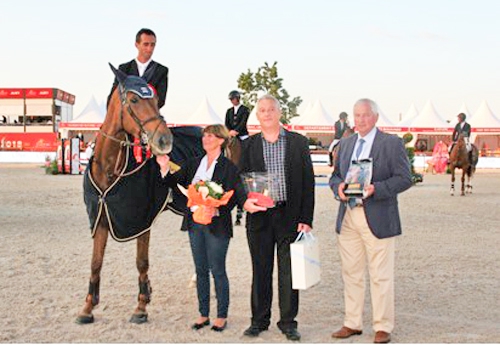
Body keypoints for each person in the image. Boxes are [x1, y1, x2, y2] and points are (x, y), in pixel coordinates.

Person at [329, 98, 412, 344]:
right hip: (348, 217)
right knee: (351, 273)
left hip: (377, 215)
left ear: (376, 117)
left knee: (380, 275)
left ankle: (383, 326)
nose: (361, 120)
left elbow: (405, 178)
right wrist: (339, 188)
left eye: (365, 115)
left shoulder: (391, 144)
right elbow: (334, 177)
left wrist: (378, 188)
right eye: (357, 115)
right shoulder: (345, 144)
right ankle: (352, 323)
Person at [157, 124, 247, 333]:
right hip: (194, 223)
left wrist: (218, 210)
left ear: (221, 140)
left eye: (210, 136)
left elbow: (234, 195)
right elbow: (174, 181)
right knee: (200, 270)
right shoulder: (193, 163)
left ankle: (222, 315)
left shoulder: (228, 167)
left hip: (217, 225)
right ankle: (203, 314)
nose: (205, 139)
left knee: (218, 270)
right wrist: (163, 167)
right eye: (204, 136)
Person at [239, 94, 315, 341]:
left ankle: (288, 322)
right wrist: (244, 203)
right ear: (257, 116)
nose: (267, 113)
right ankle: (258, 321)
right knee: (260, 270)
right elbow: (239, 180)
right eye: (262, 110)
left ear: (280, 113)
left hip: (289, 215)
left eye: (272, 109)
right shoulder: (248, 146)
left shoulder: (298, 143)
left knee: (288, 272)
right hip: (259, 217)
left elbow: (308, 183)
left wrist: (306, 218)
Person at [107, 28, 169, 110]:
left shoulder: (161, 70)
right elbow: (112, 97)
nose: (150, 49)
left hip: (149, 117)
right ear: (136, 44)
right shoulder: (124, 69)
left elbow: (160, 100)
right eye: (146, 44)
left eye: (152, 45)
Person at [225, 90, 250, 226]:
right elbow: (227, 122)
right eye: (231, 99)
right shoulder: (229, 111)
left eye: (234, 99)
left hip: (242, 134)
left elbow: (243, 122)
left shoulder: (245, 109)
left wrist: (236, 131)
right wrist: (229, 131)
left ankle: (247, 163)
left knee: (248, 146)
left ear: (238, 98)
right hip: (231, 134)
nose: (232, 101)